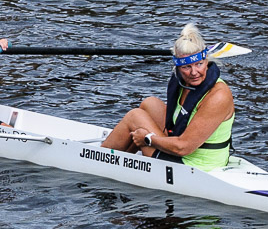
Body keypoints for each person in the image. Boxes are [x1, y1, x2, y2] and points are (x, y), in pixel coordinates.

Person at [100, 24, 235, 171]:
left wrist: (147, 139)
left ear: (207, 61)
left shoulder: (218, 96)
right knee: (149, 103)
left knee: (135, 116)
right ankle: (121, 162)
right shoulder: (184, 82)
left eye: (199, 64)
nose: (194, 72)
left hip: (197, 166)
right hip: (183, 149)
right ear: (178, 66)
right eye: (186, 67)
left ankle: (101, 160)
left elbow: (183, 148)